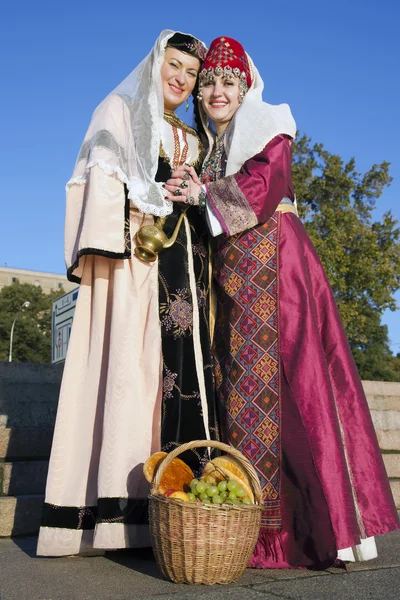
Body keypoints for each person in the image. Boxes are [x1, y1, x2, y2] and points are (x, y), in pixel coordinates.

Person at [164, 36, 399, 569]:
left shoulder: (269, 124)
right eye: (208, 84)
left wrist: (203, 195)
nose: (216, 92)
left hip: (278, 270)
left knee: (295, 383)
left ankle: (312, 531)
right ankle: (257, 528)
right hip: (238, 279)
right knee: (244, 388)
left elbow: (265, 183)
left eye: (228, 82)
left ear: (245, 88)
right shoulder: (212, 145)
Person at [37, 30, 220, 557]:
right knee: (130, 378)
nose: (181, 79)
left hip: (186, 271)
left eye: (191, 73)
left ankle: (172, 507)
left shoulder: (193, 135)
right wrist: (139, 217)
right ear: (155, 63)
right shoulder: (119, 110)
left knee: (175, 381)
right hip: (136, 265)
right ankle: (118, 515)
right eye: (175, 65)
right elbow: (99, 179)